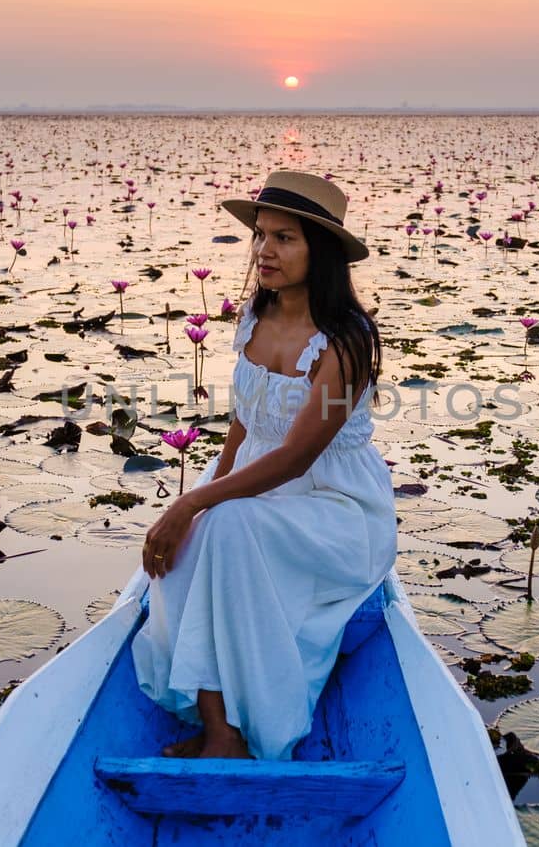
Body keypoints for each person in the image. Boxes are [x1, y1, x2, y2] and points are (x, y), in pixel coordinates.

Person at [125, 169, 395, 762]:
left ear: (318, 252)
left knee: (221, 525)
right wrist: (209, 488)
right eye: (261, 236)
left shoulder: (345, 340)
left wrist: (195, 502)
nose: (264, 251)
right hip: (257, 484)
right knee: (196, 542)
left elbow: (298, 454)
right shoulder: (256, 317)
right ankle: (215, 717)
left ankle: (230, 734)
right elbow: (246, 420)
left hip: (332, 504)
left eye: (285, 238)